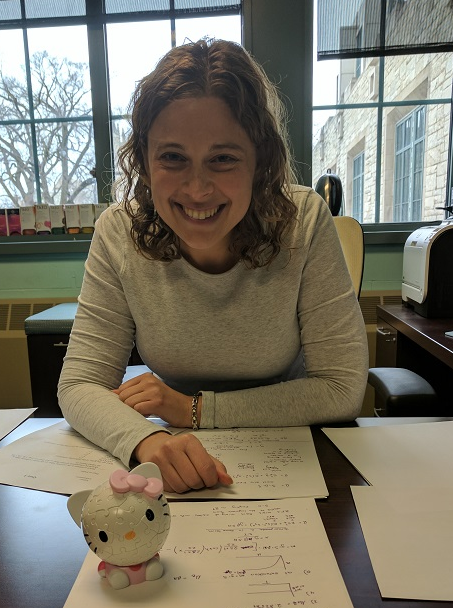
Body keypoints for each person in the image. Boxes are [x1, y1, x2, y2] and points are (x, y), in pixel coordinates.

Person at [58, 38, 368, 494]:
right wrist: (147, 440)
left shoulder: (304, 222)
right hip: (174, 456)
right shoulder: (117, 232)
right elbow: (79, 384)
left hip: (295, 455)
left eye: (223, 159)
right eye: (173, 158)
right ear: (144, 162)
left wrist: (193, 410)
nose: (197, 189)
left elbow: (341, 388)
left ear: (259, 162)